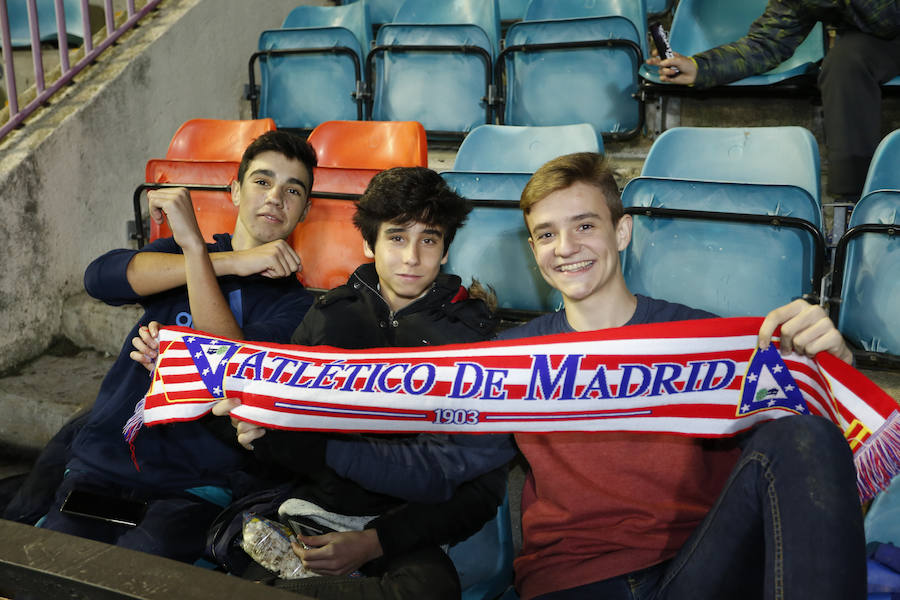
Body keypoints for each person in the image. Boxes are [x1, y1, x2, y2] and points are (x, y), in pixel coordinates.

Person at [497, 151, 864, 599]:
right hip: (575, 579)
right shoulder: (509, 359)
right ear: (534, 250)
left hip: (701, 566)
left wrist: (835, 365)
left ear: (623, 231)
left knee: (807, 434)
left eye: (585, 226)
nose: (566, 247)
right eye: (547, 234)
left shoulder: (709, 342)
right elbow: (442, 464)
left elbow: (806, 454)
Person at [197, 167, 517, 599]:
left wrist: (374, 541)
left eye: (429, 239)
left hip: (403, 529)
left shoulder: (472, 342)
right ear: (369, 243)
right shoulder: (329, 316)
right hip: (312, 513)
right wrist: (255, 432)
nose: (412, 257)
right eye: (397, 237)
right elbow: (286, 446)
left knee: (428, 591)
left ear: (445, 251)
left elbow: (481, 490)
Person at [38, 130, 318, 563]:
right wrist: (223, 259)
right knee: (53, 570)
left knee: (139, 574)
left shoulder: (302, 306)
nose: (275, 197)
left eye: (293, 189)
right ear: (235, 190)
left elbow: (233, 364)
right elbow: (100, 278)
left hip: (194, 484)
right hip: (104, 464)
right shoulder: (178, 255)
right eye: (262, 181)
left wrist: (195, 257)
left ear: (306, 210)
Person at [647, 1, 900, 204]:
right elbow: (766, 44)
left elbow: (890, 17)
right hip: (880, 42)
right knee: (844, 63)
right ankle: (855, 205)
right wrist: (699, 67)